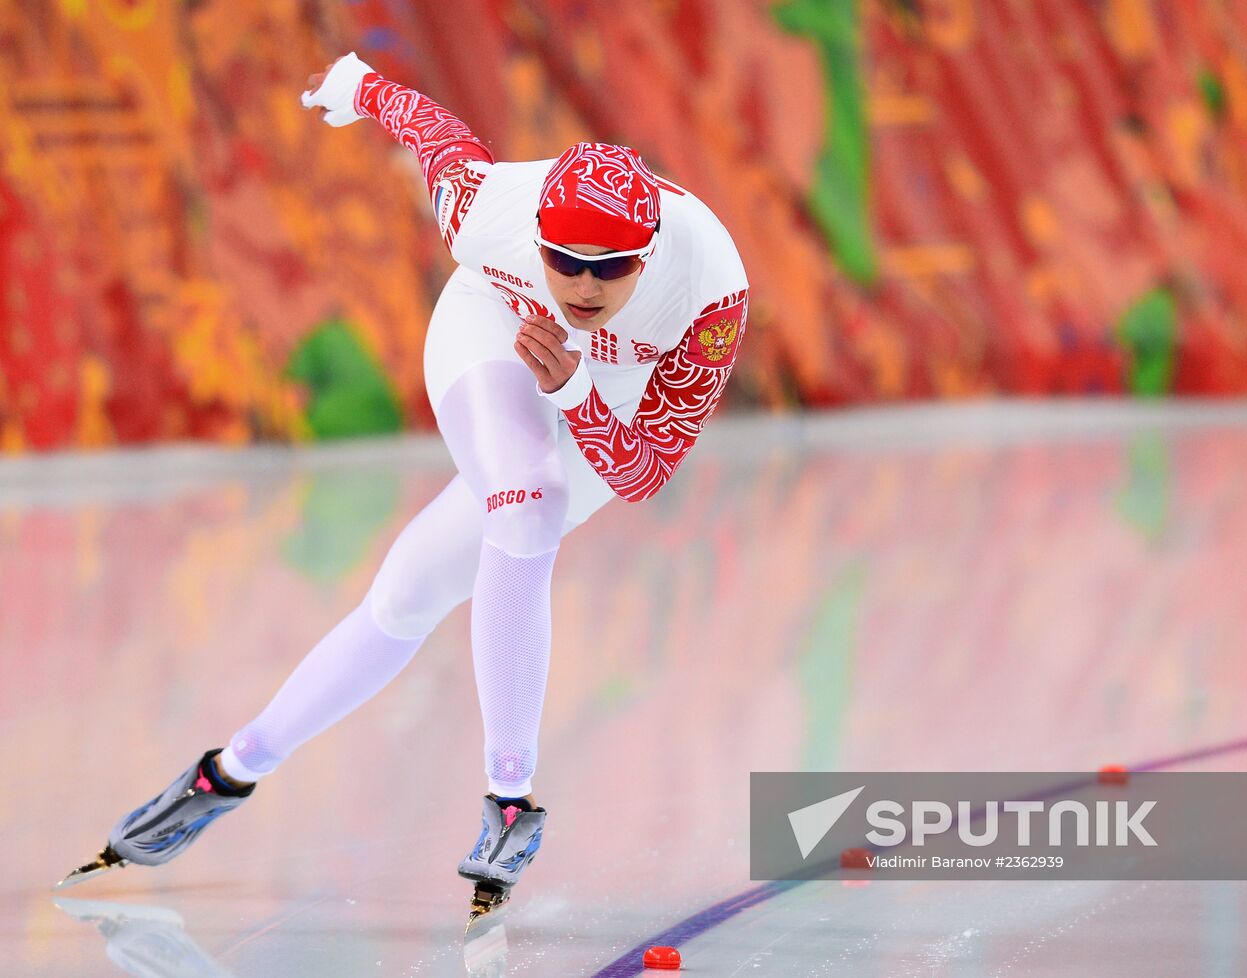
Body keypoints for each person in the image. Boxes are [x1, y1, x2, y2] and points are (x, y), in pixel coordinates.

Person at [62, 52, 749, 920]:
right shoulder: (487, 212)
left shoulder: (710, 293)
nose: (583, 285)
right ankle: (512, 800)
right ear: (535, 237)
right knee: (527, 497)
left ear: (649, 257)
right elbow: (434, 133)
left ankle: (228, 771)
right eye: (565, 259)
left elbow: (645, 472)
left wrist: (574, 391)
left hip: (602, 401)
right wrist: (356, 85)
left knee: (408, 595)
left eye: (611, 269)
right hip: (492, 332)